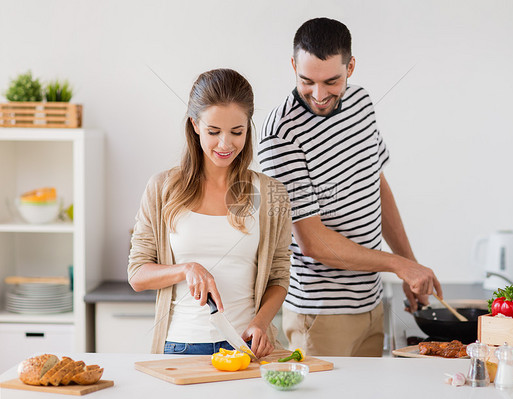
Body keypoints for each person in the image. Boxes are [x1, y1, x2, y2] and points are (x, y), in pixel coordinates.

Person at [258, 17, 443, 357]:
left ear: (351, 66)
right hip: (320, 315)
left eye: (332, 81)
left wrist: (409, 264)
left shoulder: (361, 103)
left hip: (371, 304)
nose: (319, 95)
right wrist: (398, 265)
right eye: (306, 81)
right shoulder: (280, 134)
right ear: (292, 65)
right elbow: (312, 242)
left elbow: (377, 184)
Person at [128, 69, 292, 358]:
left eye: (237, 132)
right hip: (180, 347)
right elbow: (137, 274)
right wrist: (186, 268)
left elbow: (279, 277)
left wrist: (260, 323)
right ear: (195, 125)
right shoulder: (162, 188)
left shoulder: (269, 193)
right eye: (213, 132)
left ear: (248, 128)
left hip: (245, 348)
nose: (225, 144)